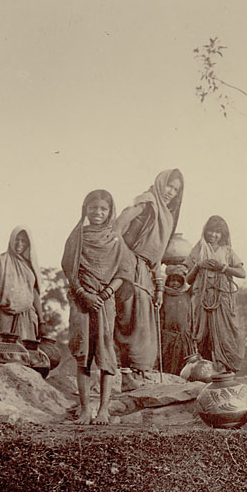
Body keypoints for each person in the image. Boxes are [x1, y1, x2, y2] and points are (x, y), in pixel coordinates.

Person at [61, 190, 133, 425]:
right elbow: (70, 270)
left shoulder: (115, 238)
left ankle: (103, 410)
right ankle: (84, 409)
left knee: (105, 353)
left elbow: (124, 272)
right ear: (85, 209)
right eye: (93, 208)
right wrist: (84, 294)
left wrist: (105, 293)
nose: (98, 213)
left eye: (103, 209)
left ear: (110, 211)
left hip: (105, 300)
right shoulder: (77, 237)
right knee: (83, 354)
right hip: (81, 301)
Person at [115, 168, 184, 391]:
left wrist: (159, 288)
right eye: (169, 186)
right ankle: (120, 374)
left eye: (176, 189)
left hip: (145, 273)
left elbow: (156, 256)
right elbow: (117, 226)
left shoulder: (167, 216)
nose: (171, 192)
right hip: (126, 267)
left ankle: (136, 374)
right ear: (159, 183)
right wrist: (124, 256)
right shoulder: (146, 202)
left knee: (143, 324)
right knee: (126, 321)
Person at [185, 215, 246, 373]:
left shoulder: (227, 251)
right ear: (205, 231)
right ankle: (203, 371)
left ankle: (225, 370)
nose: (213, 235)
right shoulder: (198, 249)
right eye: (211, 231)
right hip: (201, 299)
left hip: (221, 299)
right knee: (201, 333)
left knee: (224, 333)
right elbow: (188, 279)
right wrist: (198, 266)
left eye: (218, 232)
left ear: (223, 234)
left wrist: (223, 268)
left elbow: (242, 273)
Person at [160, 264, 195, 376]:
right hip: (167, 336)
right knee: (167, 362)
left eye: (178, 280)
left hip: (184, 335)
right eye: (172, 280)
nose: (175, 283)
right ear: (167, 282)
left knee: (184, 363)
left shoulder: (187, 294)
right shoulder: (163, 295)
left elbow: (196, 281)